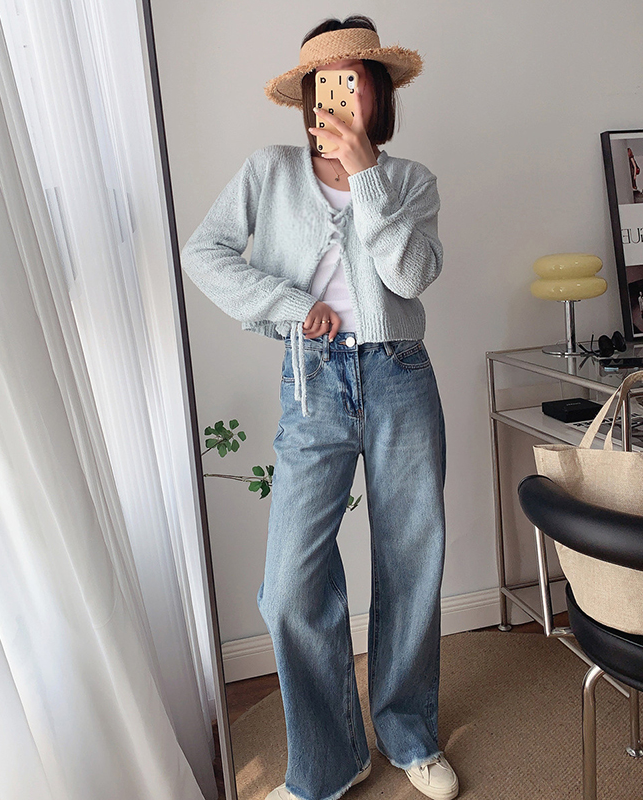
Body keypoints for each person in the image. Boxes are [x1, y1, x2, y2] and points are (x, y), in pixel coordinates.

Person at [181, 15, 456, 800]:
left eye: (356, 79)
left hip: (400, 374)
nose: (342, 93)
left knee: (411, 560)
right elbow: (203, 252)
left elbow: (410, 278)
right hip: (314, 382)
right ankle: (332, 761)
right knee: (290, 587)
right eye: (328, 81)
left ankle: (409, 734)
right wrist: (290, 304)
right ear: (310, 96)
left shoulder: (410, 181)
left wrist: (366, 173)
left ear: (378, 92)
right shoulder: (268, 172)